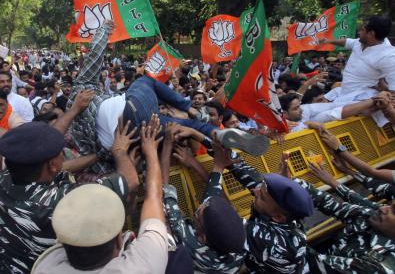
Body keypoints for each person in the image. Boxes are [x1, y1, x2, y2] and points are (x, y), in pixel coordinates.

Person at [68, 20, 269, 173]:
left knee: (188, 127)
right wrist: (104, 29)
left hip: (136, 137)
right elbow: (94, 55)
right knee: (145, 81)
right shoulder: (81, 88)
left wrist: (115, 153)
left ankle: (217, 133)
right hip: (133, 110)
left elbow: (97, 163)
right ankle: (196, 113)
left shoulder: (78, 138)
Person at [0, 92, 138, 274]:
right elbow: (131, 181)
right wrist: (119, 151)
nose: (63, 153)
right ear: (53, 165)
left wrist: (74, 109)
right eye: (60, 151)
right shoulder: (58, 202)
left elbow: (44, 142)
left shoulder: (7, 177)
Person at [31, 117, 168, 274]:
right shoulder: (142, 266)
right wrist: (148, 150)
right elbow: (152, 197)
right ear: (118, 240)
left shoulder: (46, 266)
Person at [301, 160, 395, 273]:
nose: (382, 208)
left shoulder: (380, 268)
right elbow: (333, 204)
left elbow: (304, 261)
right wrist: (292, 184)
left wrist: (287, 218)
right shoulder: (377, 220)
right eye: (389, 205)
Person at [214, 145, 314, 273]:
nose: (255, 191)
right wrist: (201, 136)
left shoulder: (269, 239)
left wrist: (216, 168)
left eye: (261, 196)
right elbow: (247, 174)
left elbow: (214, 212)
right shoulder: (285, 215)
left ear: (278, 217)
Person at [160, 125, 246, 273]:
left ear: (202, 237)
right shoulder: (237, 238)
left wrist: (167, 144)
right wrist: (195, 163)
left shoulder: (190, 241)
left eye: (199, 213)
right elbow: (216, 198)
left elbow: (163, 189)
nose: (203, 202)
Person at [319, 16, 395, 103]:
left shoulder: (388, 56)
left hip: (360, 101)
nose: (359, 32)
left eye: (362, 30)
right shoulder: (360, 42)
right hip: (344, 93)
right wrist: (328, 41)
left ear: (371, 34)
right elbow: (348, 42)